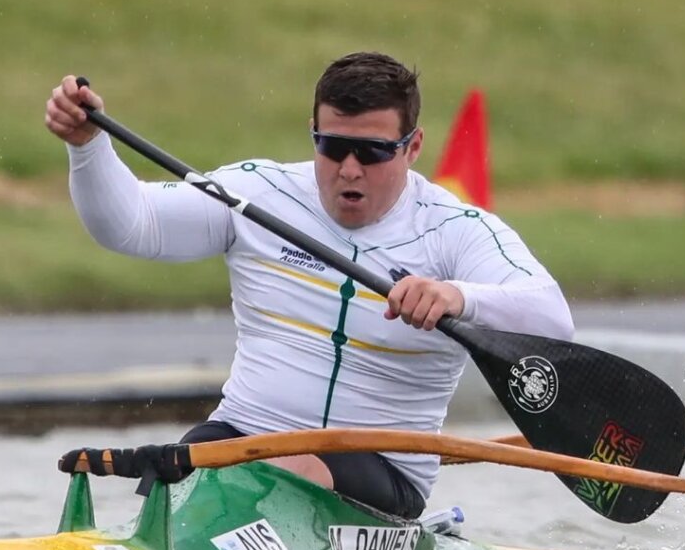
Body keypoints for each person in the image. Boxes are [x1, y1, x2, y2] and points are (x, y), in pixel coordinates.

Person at [45, 52, 573, 519]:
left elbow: (552, 318)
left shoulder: (455, 230)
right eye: (332, 147)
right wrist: (88, 147)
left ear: (412, 147)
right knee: (180, 488)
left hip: (382, 467)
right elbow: (131, 225)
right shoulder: (257, 193)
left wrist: (457, 297)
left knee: (289, 468)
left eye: (371, 153)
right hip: (239, 437)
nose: (348, 170)